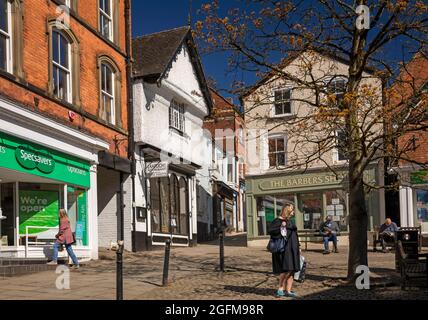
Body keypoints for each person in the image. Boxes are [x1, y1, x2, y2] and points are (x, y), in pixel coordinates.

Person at [268, 202, 300, 298]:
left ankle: (288, 291)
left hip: (293, 248)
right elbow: (272, 232)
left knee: (292, 269)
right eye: (292, 209)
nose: (293, 212)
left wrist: (299, 246)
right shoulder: (277, 221)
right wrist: (282, 226)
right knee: (286, 269)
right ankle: (280, 288)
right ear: (287, 210)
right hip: (284, 249)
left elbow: (295, 234)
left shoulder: (290, 221)